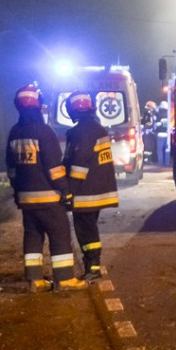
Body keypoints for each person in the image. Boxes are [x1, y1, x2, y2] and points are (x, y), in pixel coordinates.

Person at [5, 83, 87, 292]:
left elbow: (11, 168)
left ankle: (34, 281)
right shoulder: (44, 131)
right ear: (39, 106)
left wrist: (17, 192)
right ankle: (65, 279)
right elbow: (54, 167)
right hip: (49, 199)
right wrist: (65, 190)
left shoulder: (14, 132)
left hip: (26, 200)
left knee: (32, 237)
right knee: (60, 236)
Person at [62, 90, 120, 282]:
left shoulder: (81, 132)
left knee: (85, 230)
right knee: (89, 228)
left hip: (86, 191)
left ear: (73, 110)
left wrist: (69, 190)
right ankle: (92, 266)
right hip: (98, 189)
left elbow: (79, 164)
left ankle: (92, 268)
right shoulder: (97, 128)